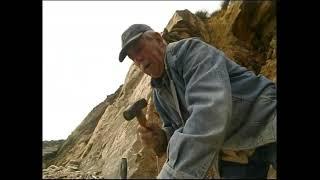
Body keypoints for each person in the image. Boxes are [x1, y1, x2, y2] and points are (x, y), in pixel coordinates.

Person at [118, 24, 276, 179]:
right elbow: (179, 132)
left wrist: (171, 175)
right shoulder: (159, 95)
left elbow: (210, 113)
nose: (137, 59)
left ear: (159, 39)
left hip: (265, 119)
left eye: (139, 49)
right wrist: (163, 139)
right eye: (132, 57)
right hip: (236, 148)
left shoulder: (191, 52)